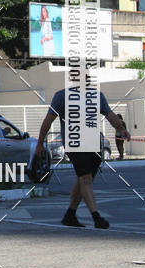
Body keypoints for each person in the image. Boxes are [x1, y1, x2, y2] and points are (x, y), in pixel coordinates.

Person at [34, 88, 130, 229]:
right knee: (85, 178)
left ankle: (70, 215)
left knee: (84, 179)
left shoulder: (97, 95)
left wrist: (121, 128)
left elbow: (109, 115)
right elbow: (48, 120)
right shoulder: (62, 96)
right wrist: (39, 143)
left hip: (93, 143)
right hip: (74, 143)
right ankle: (96, 217)